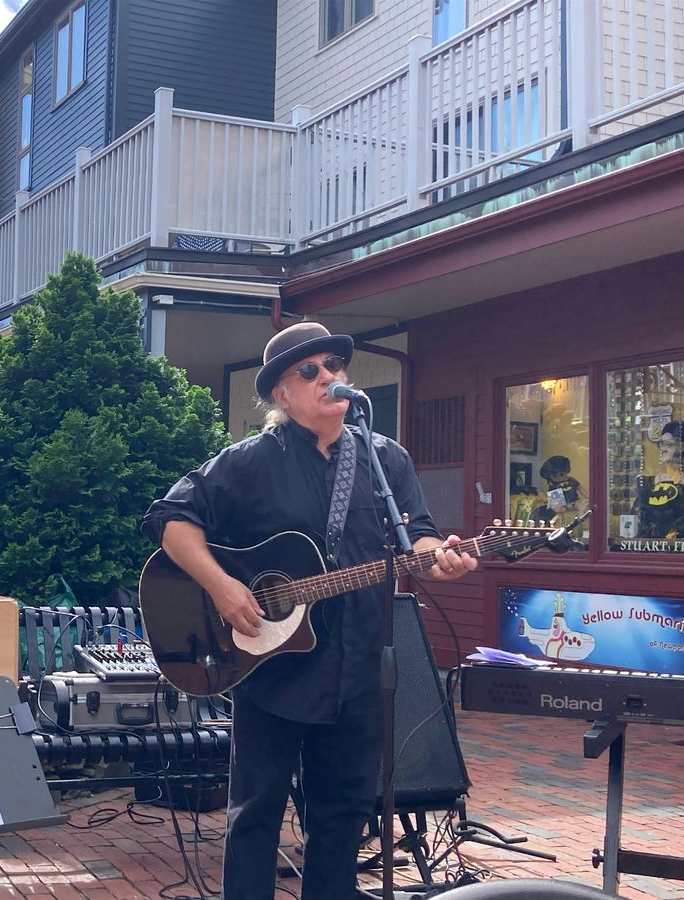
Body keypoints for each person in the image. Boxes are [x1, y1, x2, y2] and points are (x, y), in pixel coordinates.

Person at [141, 322, 477, 900]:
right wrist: (223, 587)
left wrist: (438, 558)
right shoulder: (250, 462)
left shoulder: (385, 460)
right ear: (281, 394)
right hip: (270, 670)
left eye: (335, 367)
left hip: (360, 667)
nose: (329, 378)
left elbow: (416, 538)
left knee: (342, 815)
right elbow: (170, 519)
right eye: (310, 371)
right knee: (256, 814)